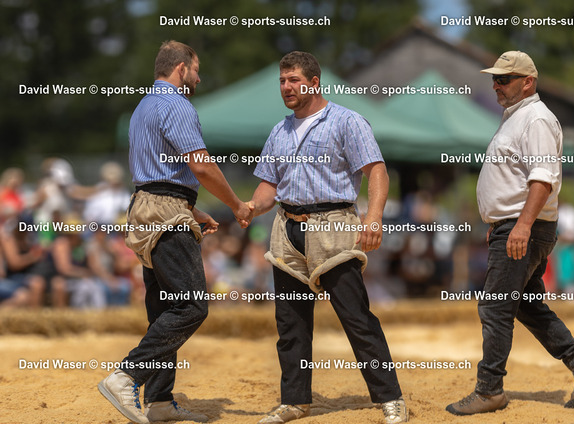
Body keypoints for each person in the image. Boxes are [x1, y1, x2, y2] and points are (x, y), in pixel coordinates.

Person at [446, 51, 574, 415]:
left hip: (524, 226)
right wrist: (502, 222)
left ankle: (489, 390)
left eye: (504, 79)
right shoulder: (517, 117)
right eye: (495, 79)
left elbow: (542, 178)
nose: (496, 85)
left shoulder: (536, 118)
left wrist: (521, 225)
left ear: (528, 82)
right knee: (524, 304)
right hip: (515, 225)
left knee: (495, 306)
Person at [97, 40, 252, 424]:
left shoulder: (143, 107)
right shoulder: (177, 104)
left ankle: (160, 400)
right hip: (166, 214)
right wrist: (236, 204)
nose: (198, 78)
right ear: (181, 68)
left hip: (147, 209)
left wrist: (192, 209)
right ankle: (126, 376)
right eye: (196, 70)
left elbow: (155, 176)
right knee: (192, 304)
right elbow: (201, 167)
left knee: (164, 307)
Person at [248, 51, 407, 424]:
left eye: (294, 80)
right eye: (282, 81)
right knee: (290, 322)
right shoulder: (279, 131)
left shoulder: (347, 121)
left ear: (314, 82)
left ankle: (390, 397)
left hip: (333, 225)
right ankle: (295, 400)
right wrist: (247, 208)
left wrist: (373, 218)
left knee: (356, 317)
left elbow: (377, 171)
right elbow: (268, 188)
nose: (286, 87)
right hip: (286, 227)